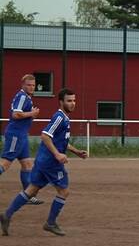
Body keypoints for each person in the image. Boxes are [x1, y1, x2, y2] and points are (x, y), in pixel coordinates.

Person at [0, 88, 88, 237]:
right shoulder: (59, 118)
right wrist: (57, 155)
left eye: (74, 100)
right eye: (69, 101)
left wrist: (76, 151)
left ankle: (6, 215)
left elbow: (59, 141)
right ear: (61, 102)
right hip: (50, 162)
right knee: (64, 191)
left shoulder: (64, 118)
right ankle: (50, 223)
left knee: (32, 190)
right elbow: (45, 136)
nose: (73, 103)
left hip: (43, 160)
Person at [0, 74, 44, 204]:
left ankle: (28, 196)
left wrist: (30, 116)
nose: (31, 87)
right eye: (29, 85)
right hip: (15, 135)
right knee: (6, 163)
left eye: (33, 85)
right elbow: (15, 114)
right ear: (23, 85)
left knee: (27, 164)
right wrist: (32, 113)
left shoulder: (27, 98)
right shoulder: (22, 96)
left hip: (22, 135)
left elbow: (21, 114)